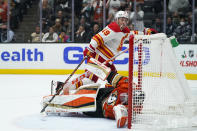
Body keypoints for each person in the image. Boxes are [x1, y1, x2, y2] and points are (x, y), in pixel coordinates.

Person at [65, 10, 130, 91]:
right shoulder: (114, 28)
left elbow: (131, 34)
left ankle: (111, 94)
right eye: (122, 20)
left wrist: (145, 33)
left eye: (125, 20)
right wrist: (90, 49)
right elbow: (97, 38)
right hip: (99, 58)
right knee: (90, 80)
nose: (123, 22)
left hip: (107, 60)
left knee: (114, 79)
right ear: (117, 20)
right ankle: (67, 88)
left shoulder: (124, 31)